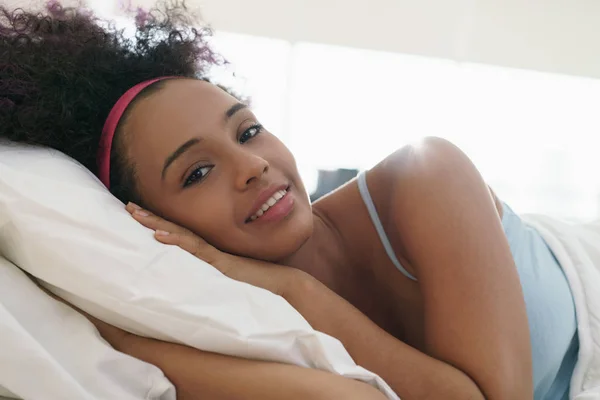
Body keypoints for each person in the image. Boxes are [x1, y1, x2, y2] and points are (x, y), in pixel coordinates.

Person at [0, 2, 579, 399]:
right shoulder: (232, 323)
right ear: (148, 221)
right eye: (199, 171)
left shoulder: (427, 174)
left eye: (247, 131)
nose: (252, 166)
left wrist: (296, 288)